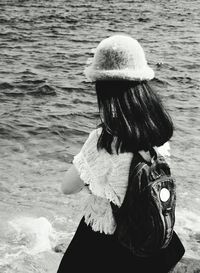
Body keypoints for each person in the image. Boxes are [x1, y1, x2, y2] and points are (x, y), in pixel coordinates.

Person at [57, 34, 184, 273]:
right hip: (149, 232)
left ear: (103, 89)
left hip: (108, 240)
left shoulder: (104, 140)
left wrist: (91, 181)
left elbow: (67, 187)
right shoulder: (158, 134)